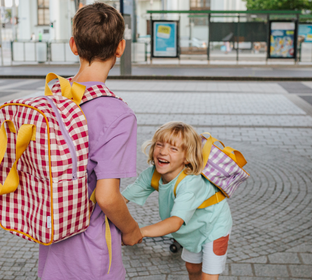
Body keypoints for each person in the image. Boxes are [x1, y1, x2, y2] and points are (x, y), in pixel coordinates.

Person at [37, 3, 142, 280]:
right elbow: (107, 197)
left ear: (73, 45)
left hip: (53, 246)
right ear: (120, 48)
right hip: (93, 256)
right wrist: (131, 230)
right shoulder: (117, 114)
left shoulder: (53, 97)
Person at [122, 122, 233, 280]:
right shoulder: (152, 174)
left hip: (214, 227)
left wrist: (140, 232)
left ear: (187, 157)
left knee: (208, 275)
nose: (163, 152)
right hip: (191, 230)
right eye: (159, 145)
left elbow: (175, 222)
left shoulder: (190, 183)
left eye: (173, 149)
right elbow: (121, 199)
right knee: (192, 268)